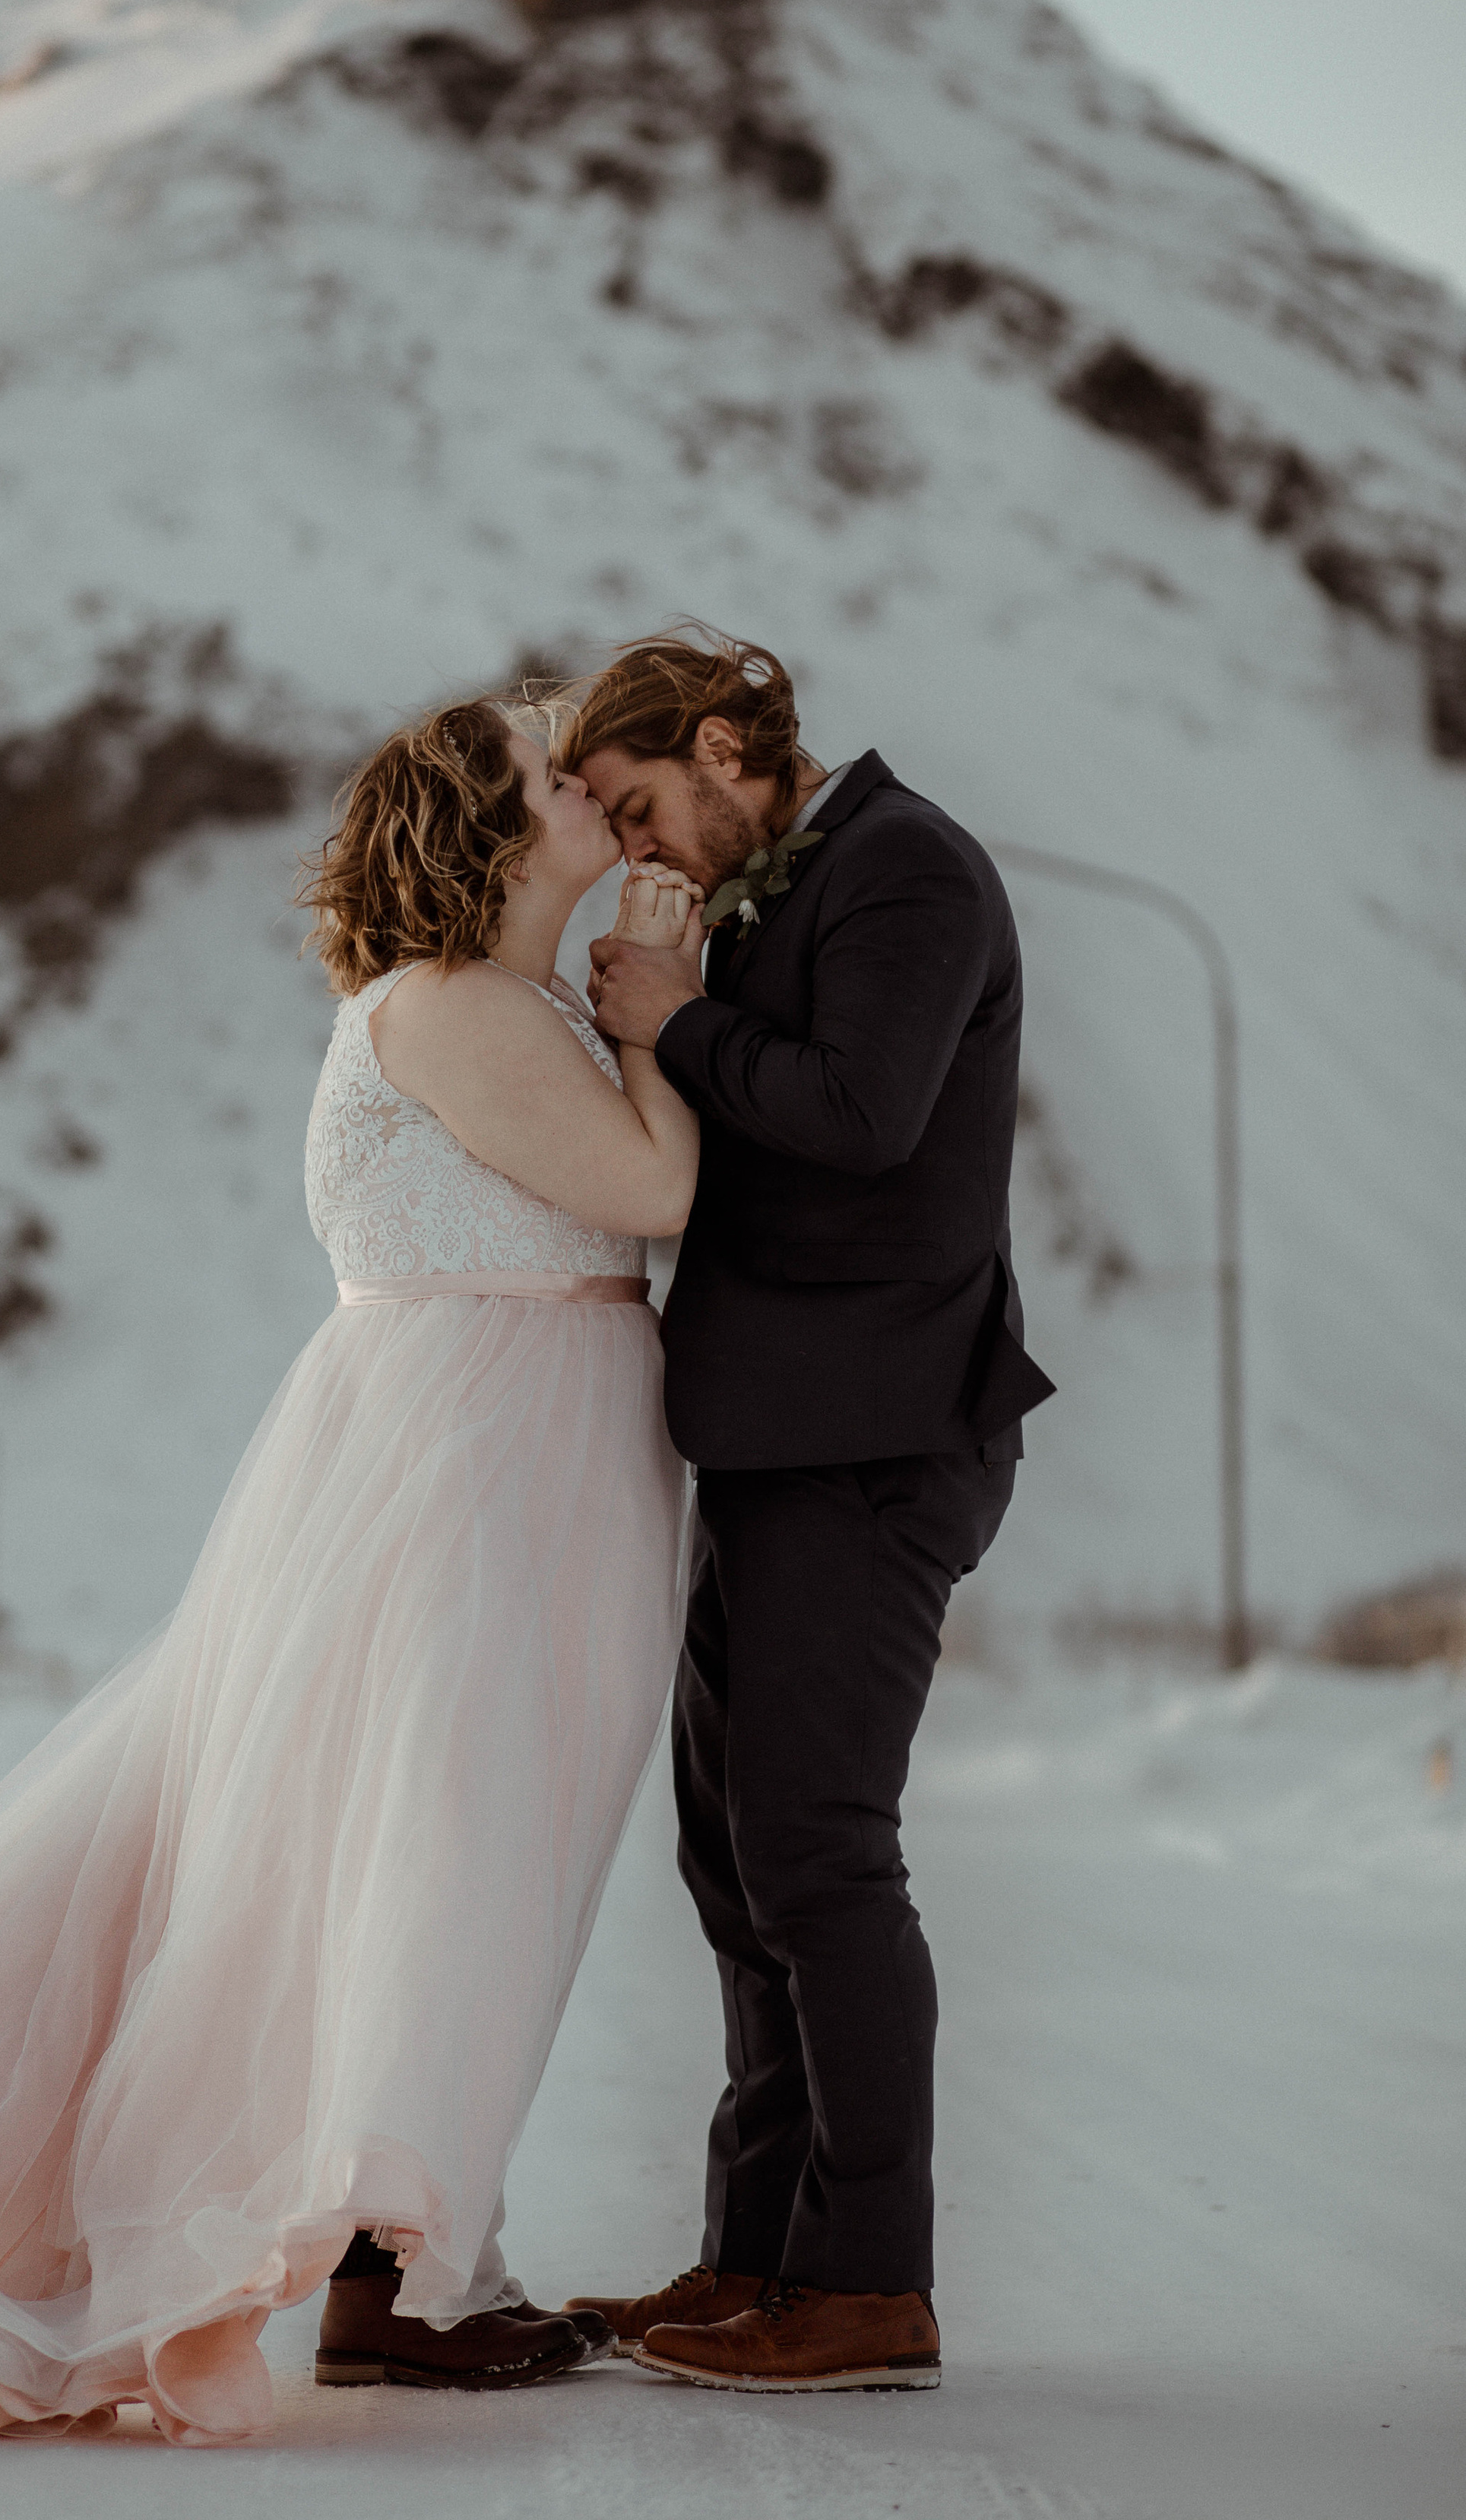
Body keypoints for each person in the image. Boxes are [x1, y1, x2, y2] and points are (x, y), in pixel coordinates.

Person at [0, 698, 699, 2449]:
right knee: (441, 1851)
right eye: (550, 767)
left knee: (447, 1854)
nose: (587, 776)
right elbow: (651, 1187)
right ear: (477, 830)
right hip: (475, 1475)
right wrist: (668, 1012)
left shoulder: (502, 1000)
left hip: (509, 1459)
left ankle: (407, 2256)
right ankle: (405, 2279)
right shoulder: (460, 1006)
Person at [561, 626, 1054, 2396]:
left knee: (817, 1856)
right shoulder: (787, 885)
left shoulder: (904, 864)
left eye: (636, 811)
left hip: (874, 1440)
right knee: (734, 1865)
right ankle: (753, 2261)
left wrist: (672, 1022)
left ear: (719, 744)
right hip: (775, 1444)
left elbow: (861, 1117)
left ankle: (869, 2287)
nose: (634, 849)